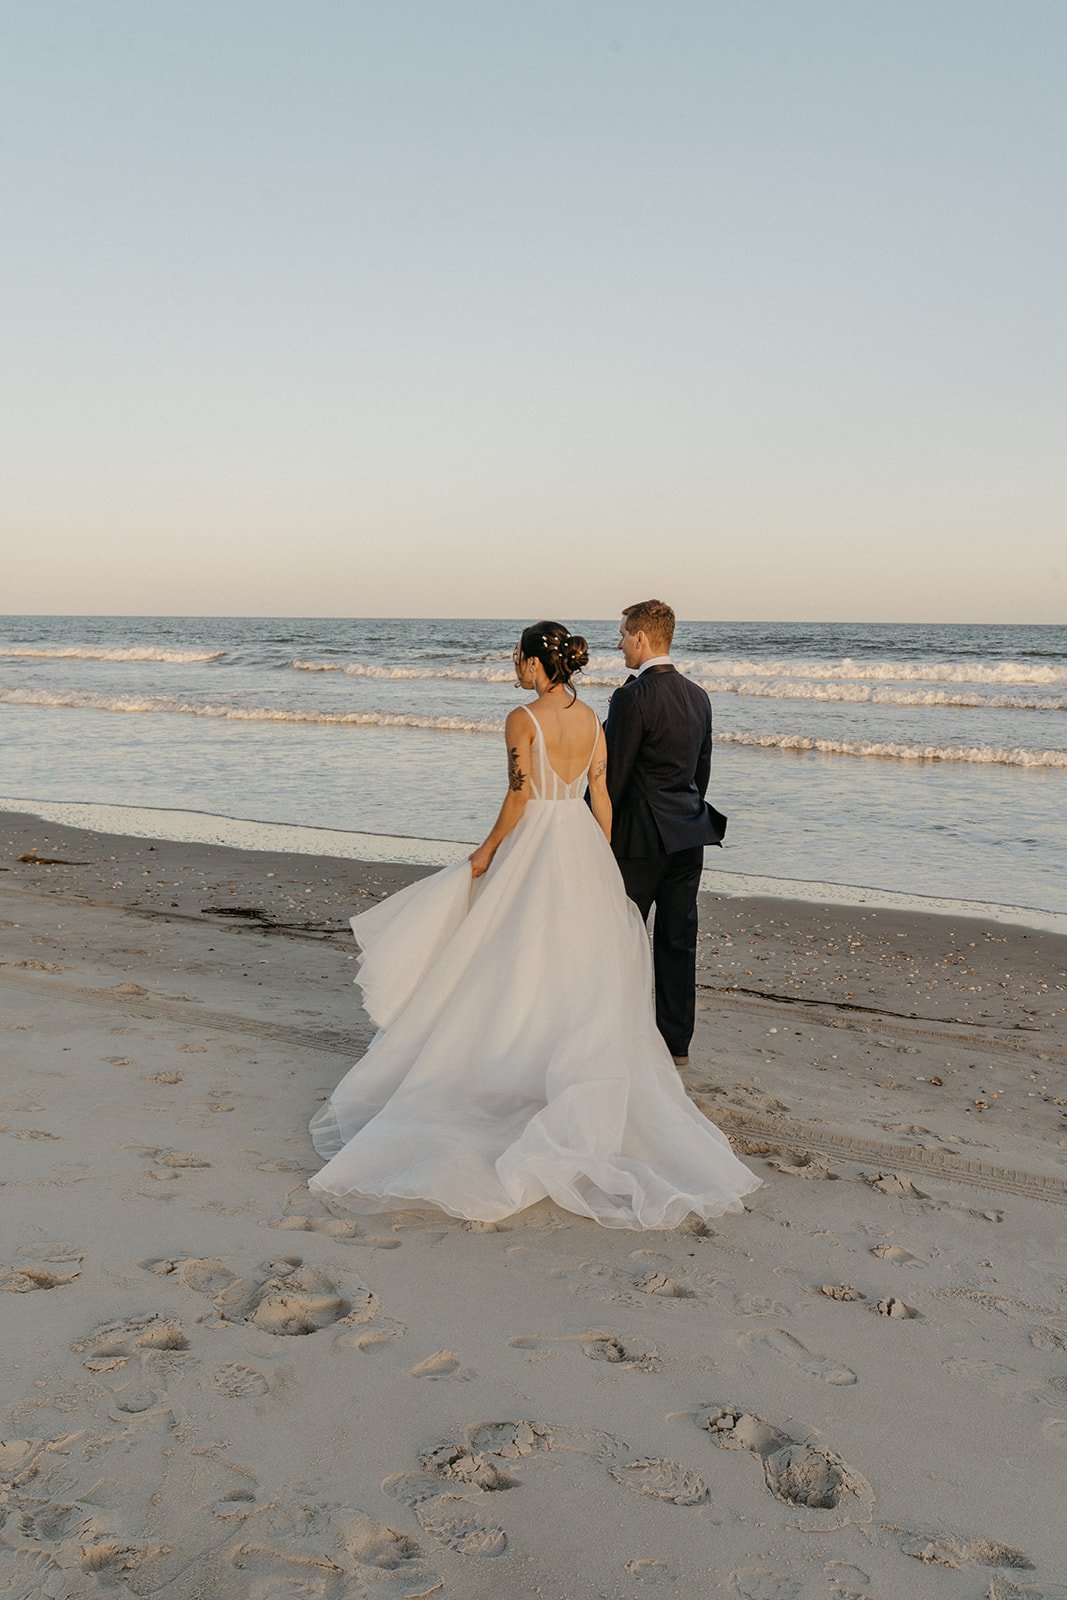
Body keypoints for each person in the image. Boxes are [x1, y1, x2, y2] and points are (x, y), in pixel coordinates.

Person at [308, 620, 758, 1230]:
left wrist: (489, 848)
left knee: (510, 952)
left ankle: (506, 1063)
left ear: (536, 663)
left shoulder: (522, 718)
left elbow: (519, 796)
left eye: (518, 657)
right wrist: (600, 856)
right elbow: (600, 793)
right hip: (579, 841)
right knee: (572, 961)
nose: (514, 665)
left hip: (538, 838)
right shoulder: (593, 718)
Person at [604, 600, 726, 1066]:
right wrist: (685, 811)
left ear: (641, 638)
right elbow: (702, 770)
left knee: (625, 935)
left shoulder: (631, 697)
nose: (618, 643)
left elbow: (614, 776)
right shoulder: (699, 696)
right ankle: (676, 1045)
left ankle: (623, 1034)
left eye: (622, 635)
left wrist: (594, 829)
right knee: (678, 939)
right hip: (689, 831)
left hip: (640, 839)